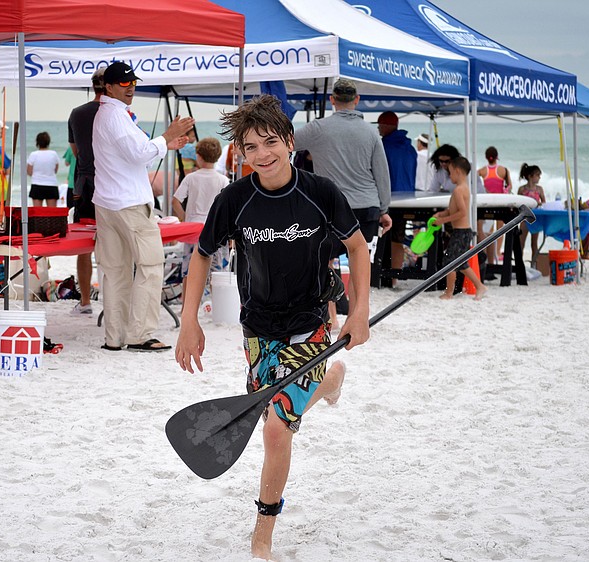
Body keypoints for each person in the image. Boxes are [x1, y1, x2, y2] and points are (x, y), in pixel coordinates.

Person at [175, 95, 370, 561]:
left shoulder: (319, 192)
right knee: (278, 417)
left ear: (288, 141)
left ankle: (262, 534)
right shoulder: (235, 199)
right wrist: (188, 321)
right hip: (258, 330)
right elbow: (201, 255)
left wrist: (360, 308)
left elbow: (358, 248)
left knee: (277, 427)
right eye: (250, 147)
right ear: (239, 153)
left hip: (310, 326)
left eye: (269, 142)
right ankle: (328, 381)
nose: (262, 154)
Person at [92, 61, 193, 351]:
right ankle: (139, 334)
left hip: (108, 202)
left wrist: (164, 145)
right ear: (109, 87)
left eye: (133, 83)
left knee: (115, 271)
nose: (131, 88)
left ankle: (115, 337)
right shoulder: (115, 116)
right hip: (129, 204)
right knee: (149, 266)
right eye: (125, 84)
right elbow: (138, 154)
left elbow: (132, 154)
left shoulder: (108, 114)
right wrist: (167, 136)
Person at [293, 78, 391, 323]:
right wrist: (384, 209)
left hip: (330, 206)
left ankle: (332, 317)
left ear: (332, 100)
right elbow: (381, 173)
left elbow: (286, 143)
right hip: (366, 206)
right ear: (357, 100)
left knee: (323, 261)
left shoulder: (318, 128)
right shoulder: (371, 132)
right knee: (360, 264)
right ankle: (356, 318)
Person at [171, 137, 230, 310]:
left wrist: (184, 219)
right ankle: (218, 306)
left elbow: (175, 201)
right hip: (215, 229)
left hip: (193, 230)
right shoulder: (223, 180)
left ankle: (185, 308)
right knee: (217, 271)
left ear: (198, 156)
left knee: (189, 270)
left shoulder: (191, 178)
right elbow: (227, 207)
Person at [66, 66, 105, 316]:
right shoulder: (118, 113)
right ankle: (109, 299)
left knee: (83, 244)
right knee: (113, 243)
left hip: (85, 184)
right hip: (110, 184)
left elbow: (76, 151)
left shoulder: (77, 113)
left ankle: (84, 303)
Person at [432, 156, 487, 301]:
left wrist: (443, 220)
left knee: (450, 261)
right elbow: (452, 209)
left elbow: (462, 213)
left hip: (461, 232)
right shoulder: (462, 189)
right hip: (462, 232)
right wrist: (441, 213)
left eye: (450, 172)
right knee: (460, 263)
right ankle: (479, 286)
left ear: (457, 171)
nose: (449, 176)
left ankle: (450, 292)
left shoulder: (458, 191)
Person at [377, 111, 417, 274]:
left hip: (388, 198)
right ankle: (395, 275)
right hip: (407, 198)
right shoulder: (411, 149)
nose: (378, 129)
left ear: (386, 126)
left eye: (379, 125)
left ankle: (379, 273)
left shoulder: (384, 147)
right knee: (397, 239)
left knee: (381, 238)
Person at [477, 146, 515, 265]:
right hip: (500, 202)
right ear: (497, 157)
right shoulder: (503, 170)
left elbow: (475, 182)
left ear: (486, 157)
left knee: (488, 229)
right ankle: (497, 253)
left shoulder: (482, 171)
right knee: (500, 229)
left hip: (487, 202)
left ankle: (486, 252)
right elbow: (510, 186)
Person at [518, 163, 546, 265]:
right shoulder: (522, 189)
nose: (539, 178)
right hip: (524, 219)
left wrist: (539, 204)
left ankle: (534, 264)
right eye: (537, 175)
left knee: (534, 244)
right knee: (521, 243)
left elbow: (544, 203)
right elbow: (518, 204)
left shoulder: (539, 189)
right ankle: (519, 264)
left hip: (535, 218)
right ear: (530, 176)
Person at [27, 131, 61, 207]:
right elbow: (55, 170)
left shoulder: (33, 155)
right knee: (52, 213)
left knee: (37, 213)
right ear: (48, 142)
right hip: (51, 184)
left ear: (37, 142)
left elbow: (29, 171)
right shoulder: (53, 154)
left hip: (37, 184)